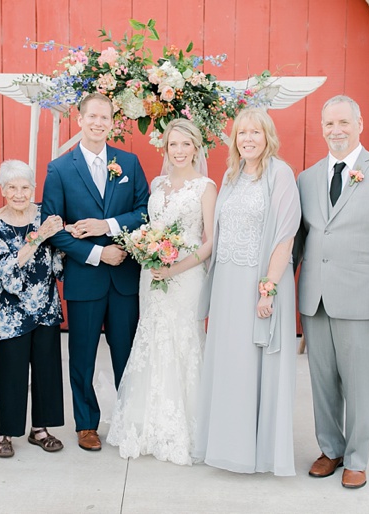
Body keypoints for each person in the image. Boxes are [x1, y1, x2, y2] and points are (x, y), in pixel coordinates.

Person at [294, 95, 369, 489]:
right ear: (322, 127)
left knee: (360, 386)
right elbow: (297, 241)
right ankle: (331, 449)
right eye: (329, 124)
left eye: (343, 122)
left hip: (362, 302)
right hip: (316, 300)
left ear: (359, 123)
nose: (336, 131)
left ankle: (357, 458)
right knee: (322, 383)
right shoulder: (307, 178)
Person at [194, 108, 301, 476]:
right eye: (242, 133)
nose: (249, 139)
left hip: (260, 283)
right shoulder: (231, 175)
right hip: (227, 283)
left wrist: (268, 289)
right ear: (235, 139)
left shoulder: (280, 174)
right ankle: (227, 444)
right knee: (229, 363)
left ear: (267, 135)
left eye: (255, 132)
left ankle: (259, 452)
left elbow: (285, 235)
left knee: (257, 364)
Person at [41, 92, 150, 451]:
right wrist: (97, 254)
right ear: (80, 119)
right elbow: (53, 228)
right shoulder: (59, 168)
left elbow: (144, 212)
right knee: (82, 355)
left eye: (106, 117)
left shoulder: (129, 163)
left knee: (127, 353)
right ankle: (86, 425)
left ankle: (126, 419)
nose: (99, 123)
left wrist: (106, 226)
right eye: (93, 117)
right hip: (86, 277)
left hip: (124, 278)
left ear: (112, 121)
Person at [106, 119, 216, 465]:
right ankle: (146, 422)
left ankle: (184, 427)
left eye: (186, 145)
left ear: (196, 148)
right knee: (151, 338)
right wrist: (145, 250)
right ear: (165, 149)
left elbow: (210, 241)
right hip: (151, 276)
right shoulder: (157, 183)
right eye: (173, 145)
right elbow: (151, 227)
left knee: (182, 341)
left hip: (185, 278)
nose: (180, 151)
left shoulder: (206, 187)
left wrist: (175, 267)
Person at [0, 160, 66, 458]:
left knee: (46, 370)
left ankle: (41, 430)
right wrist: (39, 236)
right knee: (10, 372)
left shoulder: (45, 215)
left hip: (44, 306)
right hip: (8, 313)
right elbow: (5, 268)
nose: (19, 193)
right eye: (12, 187)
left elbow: (60, 257)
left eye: (25, 187)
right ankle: (5, 432)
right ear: (3, 189)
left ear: (33, 188)